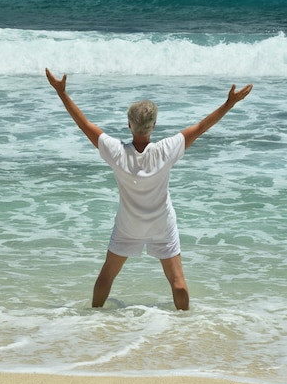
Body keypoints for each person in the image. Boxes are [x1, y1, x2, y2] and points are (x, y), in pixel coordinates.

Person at [45, 68, 252, 311]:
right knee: (178, 284)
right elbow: (201, 126)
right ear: (153, 126)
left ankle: (94, 320)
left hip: (128, 225)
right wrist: (229, 103)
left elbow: (84, 124)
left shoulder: (116, 151)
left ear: (129, 124)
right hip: (161, 224)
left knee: (106, 277)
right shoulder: (166, 149)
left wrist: (62, 93)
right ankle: (185, 328)